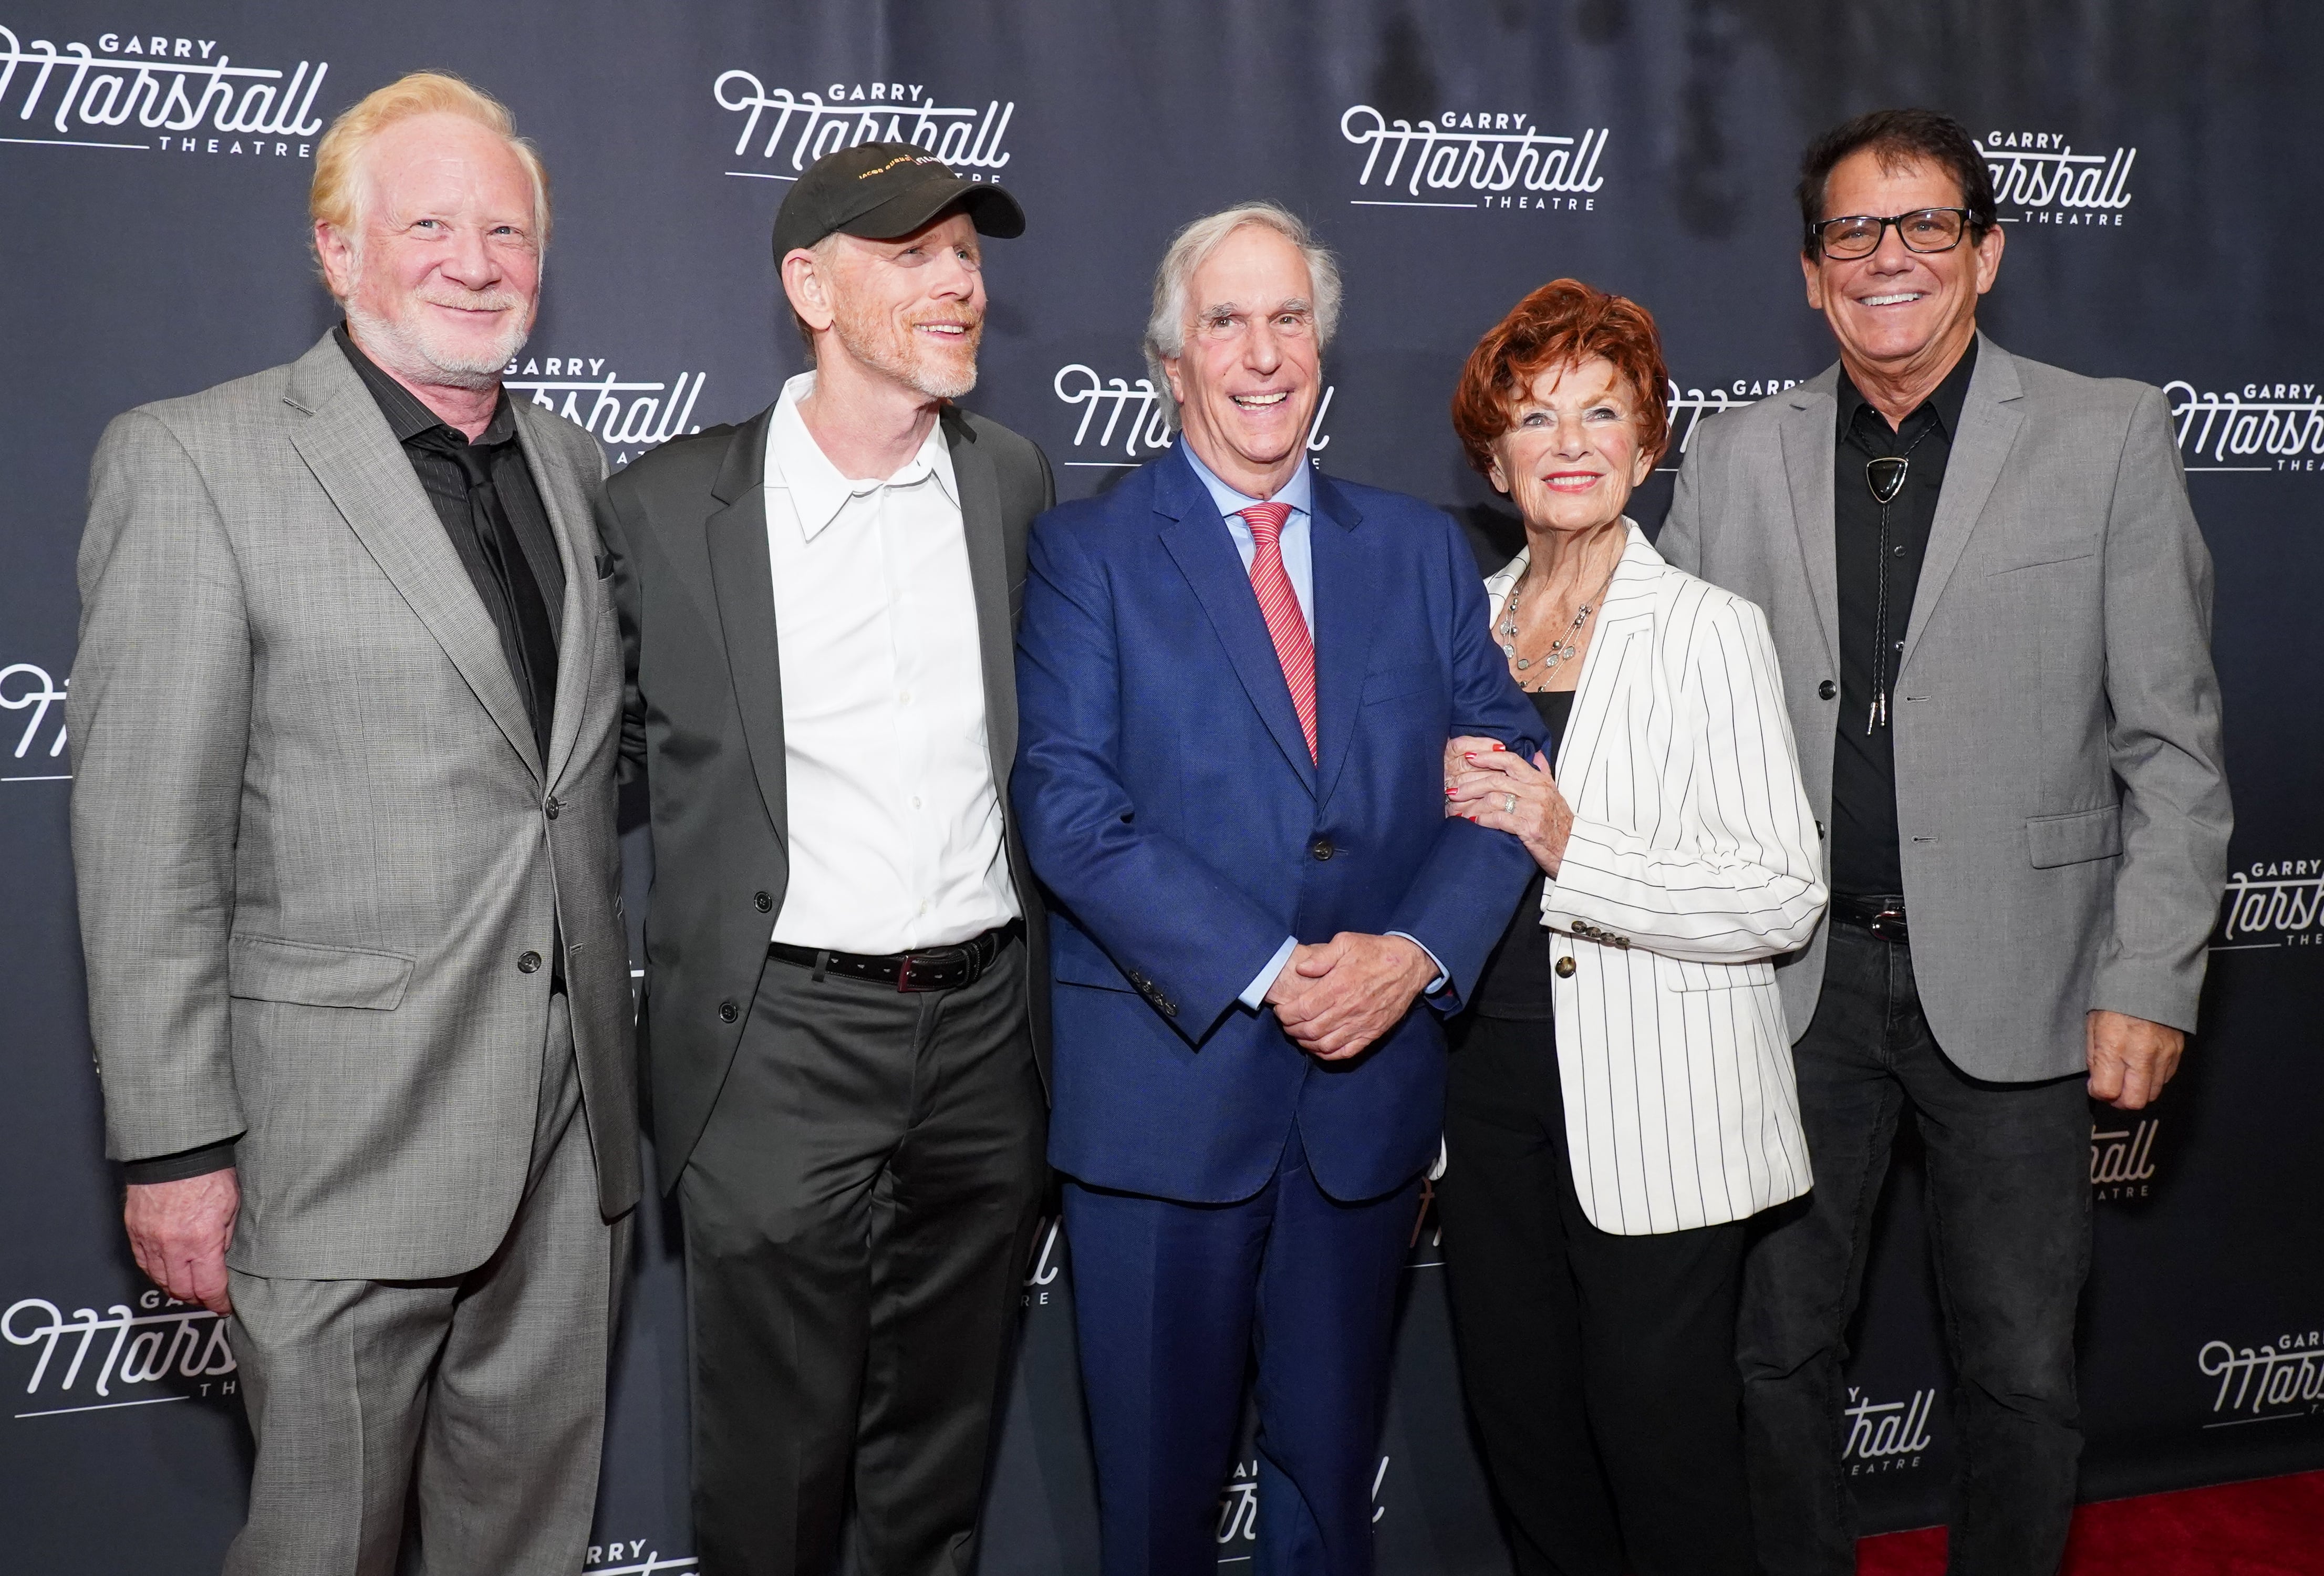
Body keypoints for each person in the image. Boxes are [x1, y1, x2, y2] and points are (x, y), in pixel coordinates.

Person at [68, 73, 635, 1575]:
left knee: (526, 1546)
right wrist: (176, 1147)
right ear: (337, 252)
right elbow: (145, 841)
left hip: (568, 1137)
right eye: (430, 226)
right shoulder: (197, 459)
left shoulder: (574, 465)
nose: (476, 263)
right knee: (321, 1547)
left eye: (507, 232)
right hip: (333, 1145)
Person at [1658, 108, 2232, 1575]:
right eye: (1853, 230)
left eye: (1924, 224)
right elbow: (1661, 713)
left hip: (2030, 982)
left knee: (2022, 1372)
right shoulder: (1731, 456)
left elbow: (2171, 749)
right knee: (1774, 1353)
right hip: (1789, 991)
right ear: (1811, 273)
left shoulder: (2107, 435)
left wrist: (2151, 978)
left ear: (1986, 253)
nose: (1888, 257)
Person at [1012, 202, 1542, 1576]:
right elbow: (1067, 809)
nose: (1263, 354)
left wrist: (1413, 953)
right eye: (1226, 322)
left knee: (1328, 1503)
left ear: (1323, 349)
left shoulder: (1418, 551)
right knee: (1154, 1510)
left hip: (1364, 1110)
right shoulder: (1085, 553)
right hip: (1165, 1103)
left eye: (1289, 318)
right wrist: (1269, 970)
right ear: (1171, 362)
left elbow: (1508, 779)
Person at [592, 142, 1051, 1576]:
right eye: (913, 255)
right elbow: (593, 770)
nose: (958, 282)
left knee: (940, 1463)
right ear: (809, 286)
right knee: (770, 1475)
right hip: (776, 1042)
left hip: (986, 1036)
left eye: (966, 254)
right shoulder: (668, 507)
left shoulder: (1012, 482)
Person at [1436, 278, 1828, 1575]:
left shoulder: (1710, 632)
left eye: (1602, 413)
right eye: (1535, 417)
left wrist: (1572, 844)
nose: (1571, 444)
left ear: (1648, 449)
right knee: (1525, 1438)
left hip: (1656, 1105)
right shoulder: (1457, 626)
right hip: (1482, 1094)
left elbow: (1780, 891)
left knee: (1663, 1454)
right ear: (1494, 458)